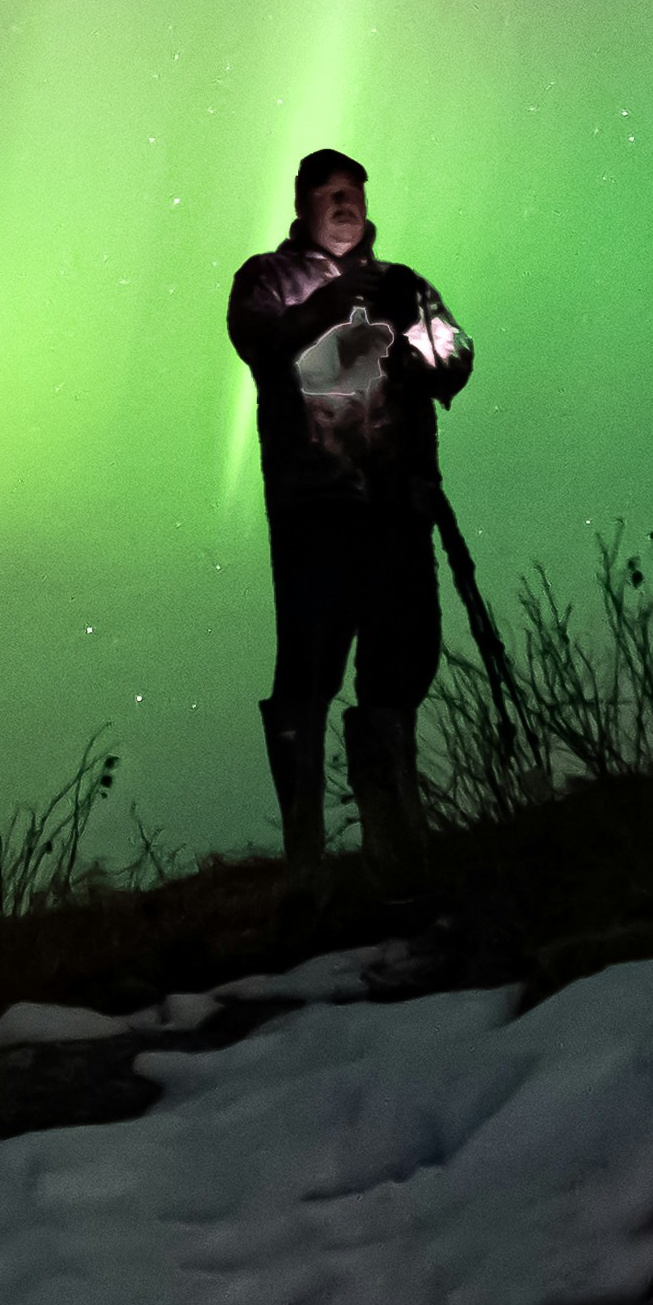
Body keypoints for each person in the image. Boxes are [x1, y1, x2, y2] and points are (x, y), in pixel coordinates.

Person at [225, 145, 474, 868]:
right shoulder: (268, 278)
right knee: (308, 673)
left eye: (352, 192)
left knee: (404, 659)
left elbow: (454, 357)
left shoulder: (403, 285)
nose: (343, 202)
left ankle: (392, 838)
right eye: (328, 192)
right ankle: (306, 862)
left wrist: (420, 359)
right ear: (302, 204)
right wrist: (332, 311)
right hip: (316, 507)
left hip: (399, 502)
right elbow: (261, 343)